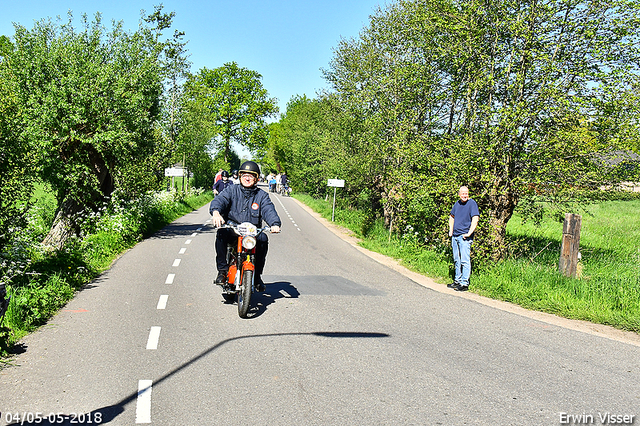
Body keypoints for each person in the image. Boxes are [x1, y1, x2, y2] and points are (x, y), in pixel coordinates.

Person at [209, 161, 281, 291]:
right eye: (244, 175)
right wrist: (216, 212)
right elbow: (220, 200)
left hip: (252, 232)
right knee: (221, 234)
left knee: (263, 239)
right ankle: (222, 271)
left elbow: (268, 210)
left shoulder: (262, 196)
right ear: (240, 176)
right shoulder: (231, 190)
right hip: (233, 229)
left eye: (251, 176)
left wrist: (274, 224)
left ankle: (257, 276)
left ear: (256, 179)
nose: (247, 178)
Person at [448, 186, 479, 291]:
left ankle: (464, 283)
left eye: (466, 193)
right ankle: (457, 280)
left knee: (465, 260)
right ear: (459, 194)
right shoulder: (457, 204)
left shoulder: (472, 204)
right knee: (457, 259)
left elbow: (475, 219)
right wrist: (451, 230)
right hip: (455, 236)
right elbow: (451, 217)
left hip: (464, 237)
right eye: (463, 193)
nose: (464, 195)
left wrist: (469, 233)